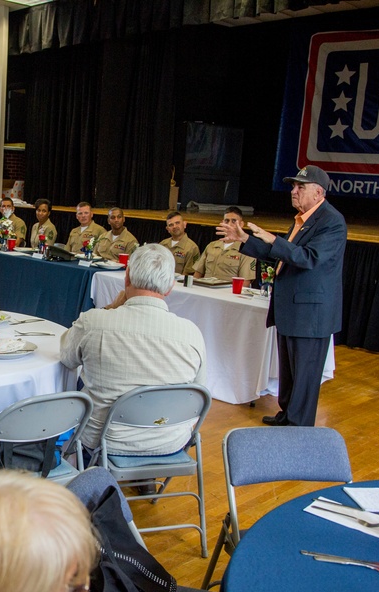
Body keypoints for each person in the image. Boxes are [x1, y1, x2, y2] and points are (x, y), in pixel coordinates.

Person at [217, 165, 346, 427]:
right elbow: (280, 255)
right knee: (288, 372)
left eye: (300, 187)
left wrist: (274, 240)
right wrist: (245, 239)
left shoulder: (332, 221)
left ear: (318, 192)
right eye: (293, 186)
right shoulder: (302, 219)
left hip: (311, 314)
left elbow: (308, 258)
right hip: (292, 309)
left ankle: (298, 428)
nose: (293, 191)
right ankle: (287, 416)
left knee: (305, 377)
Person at [60, 244, 206, 456]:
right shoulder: (192, 334)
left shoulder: (94, 321)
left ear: (126, 276)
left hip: (104, 439)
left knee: (84, 376)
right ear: (170, 287)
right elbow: (199, 394)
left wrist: (110, 309)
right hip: (170, 440)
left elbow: (66, 357)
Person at [192, 207, 255, 281]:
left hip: (227, 291)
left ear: (241, 224)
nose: (229, 224)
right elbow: (198, 273)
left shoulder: (246, 251)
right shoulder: (211, 246)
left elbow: (245, 282)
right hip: (205, 289)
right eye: (226, 221)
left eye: (234, 221)